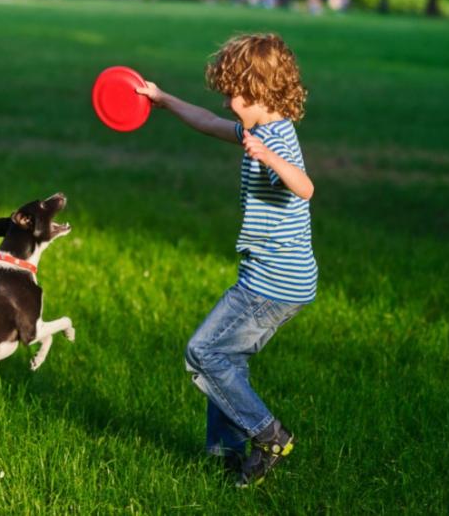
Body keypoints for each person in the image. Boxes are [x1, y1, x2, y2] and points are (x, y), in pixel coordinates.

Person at [135, 33, 317, 488]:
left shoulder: (277, 140)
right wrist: (163, 98)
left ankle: (268, 434)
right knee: (227, 359)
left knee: (204, 352)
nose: (231, 103)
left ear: (266, 94)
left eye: (239, 94)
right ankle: (226, 453)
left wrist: (270, 158)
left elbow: (305, 186)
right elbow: (208, 123)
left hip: (273, 284)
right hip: (274, 277)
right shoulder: (255, 129)